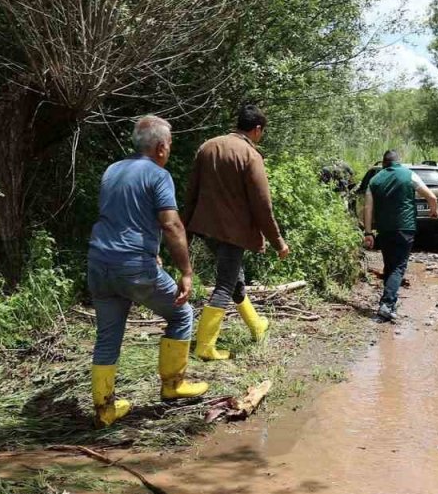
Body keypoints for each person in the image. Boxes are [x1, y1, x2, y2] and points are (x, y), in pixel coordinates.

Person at [87, 115, 206, 428]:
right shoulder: (158, 174)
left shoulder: (112, 170)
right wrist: (186, 271)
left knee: (108, 334)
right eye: (169, 145)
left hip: (99, 262)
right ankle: (173, 386)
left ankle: (105, 409)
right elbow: (171, 224)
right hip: (132, 267)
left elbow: (122, 216)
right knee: (181, 314)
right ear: (161, 147)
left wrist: (151, 253)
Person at [183, 103, 290, 362]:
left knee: (234, 279)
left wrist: (184, 229)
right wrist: (278, 242)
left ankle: (256, 325)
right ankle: (205, 347)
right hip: (232, 233)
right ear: (256, 129)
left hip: (206, 229)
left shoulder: (207, 147)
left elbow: (191, 192)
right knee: (224, 285)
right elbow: (262, 205)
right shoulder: (250, 156)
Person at [362, 150, 438, 322]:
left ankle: (388, 304)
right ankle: (387, 305)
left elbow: (367, 208)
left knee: (389, 266)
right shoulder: (408, 174)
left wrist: (368, 233)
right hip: (405, 228)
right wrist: (434, 211)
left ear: (383, 163)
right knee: (398, 267)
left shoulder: (374, 180)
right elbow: (432, 197)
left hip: (384, 230)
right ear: (399, 162)